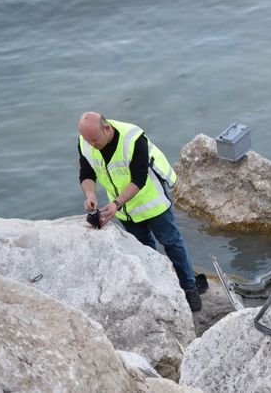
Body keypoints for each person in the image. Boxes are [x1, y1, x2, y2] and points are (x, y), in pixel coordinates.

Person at [77, 112, 204, 310]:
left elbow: (139, 178)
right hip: (124, 208)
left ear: (106, 128)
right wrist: (90, 194)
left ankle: (189, 287)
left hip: (151, 200)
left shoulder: (133, 139)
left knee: (171, 242)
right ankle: (158, 286)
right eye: (87, 140)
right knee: (143, 247)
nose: (91, 144)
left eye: (94, 140)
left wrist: (116, 203)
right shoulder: (86, 143)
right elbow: (86, 172)